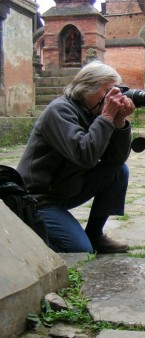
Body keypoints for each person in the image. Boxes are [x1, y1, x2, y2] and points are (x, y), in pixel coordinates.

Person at [16, 61, 135, 253]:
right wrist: (106, 118)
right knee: (79, 249)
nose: (113, 97)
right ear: (86, 89)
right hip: (37, 197)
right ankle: (26, 234)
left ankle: (95, 235)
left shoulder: (92, 110)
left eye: (116, 90)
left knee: (118, 171)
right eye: (108, 91)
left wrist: (119, 121)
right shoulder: (60, 110)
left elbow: (116, 159)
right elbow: (84, 155)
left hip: (65, 189)